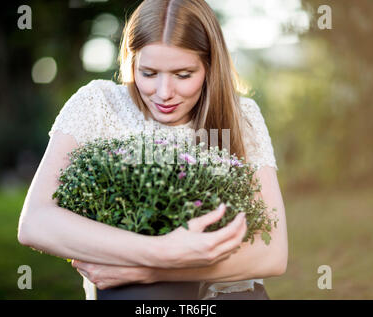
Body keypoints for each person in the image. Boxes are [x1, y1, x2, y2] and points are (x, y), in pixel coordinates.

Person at [17, 0, 287, 300]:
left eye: (183, 75)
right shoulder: (98, 104)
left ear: (210, 67)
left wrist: (153, 268)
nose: (163, 93)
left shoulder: (242, 115)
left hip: (229, 292)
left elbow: (273, 254)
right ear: (131, 61)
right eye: (148, 73)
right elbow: (35, 222)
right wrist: (161, 250)